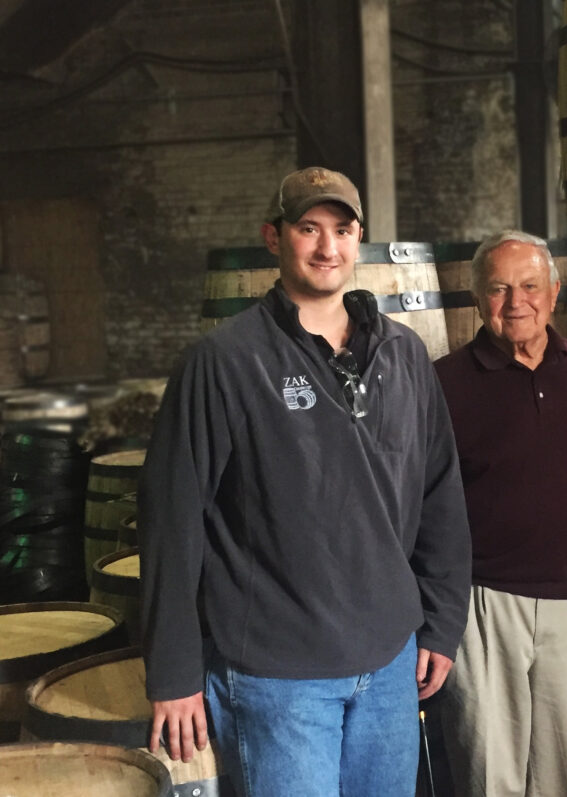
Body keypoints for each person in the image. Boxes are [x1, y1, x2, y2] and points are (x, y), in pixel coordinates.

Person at [137, 166, 472, 796]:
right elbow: (171, 520)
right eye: (308, 229)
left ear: (359, 239)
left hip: (390, 663)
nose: (327, 247)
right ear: (274, 237)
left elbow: (441, 497)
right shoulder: (223, 362)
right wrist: (174, 672)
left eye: (341, 230)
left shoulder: (402, 356)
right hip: (278, 675)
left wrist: (442, 622)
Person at [433, 230, 567, 797]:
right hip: (483, 602)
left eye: (530, 285)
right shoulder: (444, 382)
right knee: (491, 774)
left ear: (554, 291)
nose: (517, 302)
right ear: (476, 300)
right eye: (499, 288)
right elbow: (429, 508)